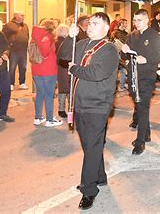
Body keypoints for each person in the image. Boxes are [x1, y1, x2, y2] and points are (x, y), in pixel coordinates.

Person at [64, 12, 119, 210]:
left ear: (105, 28)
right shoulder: (82, 44)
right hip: (80, 103)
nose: (90, 26)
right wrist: (70, 37)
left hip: (98, 105)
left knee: (93, 144)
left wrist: (75, 69)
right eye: (89, 23)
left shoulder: (109, 50)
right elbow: (63, 56)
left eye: (95, 24)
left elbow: (97, 73)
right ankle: (99, 176)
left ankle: (89, 189)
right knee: (90, 145)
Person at [121, 9, 160, 154]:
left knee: (143, 107)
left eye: (139, 20)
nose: (136, 23)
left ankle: (140, 141)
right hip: (133, 76)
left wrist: (146, 59)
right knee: (138, 106)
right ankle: (146, 133)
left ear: (147, 20)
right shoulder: (131, 35)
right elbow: (125, 56)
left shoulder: (154, 36)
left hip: (147, 76)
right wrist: (124, 50)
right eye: (134, 20)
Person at [31, 19, 62, 127]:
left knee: (40, 94)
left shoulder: (34, 36)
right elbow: (44, 51)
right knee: (49, 95)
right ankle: (49, 119)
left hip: (36, 69)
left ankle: (38, 117)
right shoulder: (48, 36)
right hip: (48, 70)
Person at [3, 12, 29, 91]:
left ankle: (22, 83)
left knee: (23, 67)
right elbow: (3, 36)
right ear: (16, 16)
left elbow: (27, 35)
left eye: (23, 15)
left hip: (23, 50)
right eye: (21, 15)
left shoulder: (25, 26)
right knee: (12, 67)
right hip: (13, 49)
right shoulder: (9, 25)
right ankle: (11, 83)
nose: (23, 16)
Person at [55, 24, 70, 119]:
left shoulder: (57, 41)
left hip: (61, 67)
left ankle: (63, 108)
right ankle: (62, 109)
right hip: (64, 67)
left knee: (64, 88)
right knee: (65, 89)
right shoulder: (62, 42)